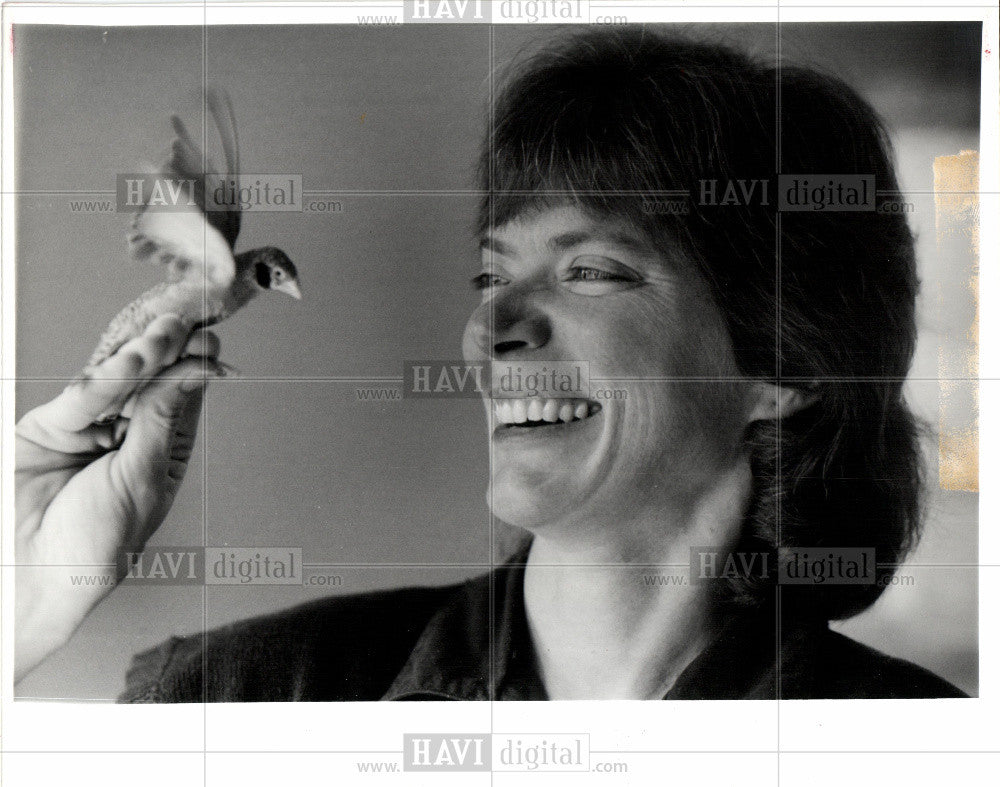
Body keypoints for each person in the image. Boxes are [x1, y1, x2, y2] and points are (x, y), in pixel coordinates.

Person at [15, 28, 967, 700]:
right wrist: (21, 603)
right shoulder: (236, 698)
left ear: (782, 364)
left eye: (590, 270)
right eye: (489, 271)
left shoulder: (922, 742)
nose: (490, 326)